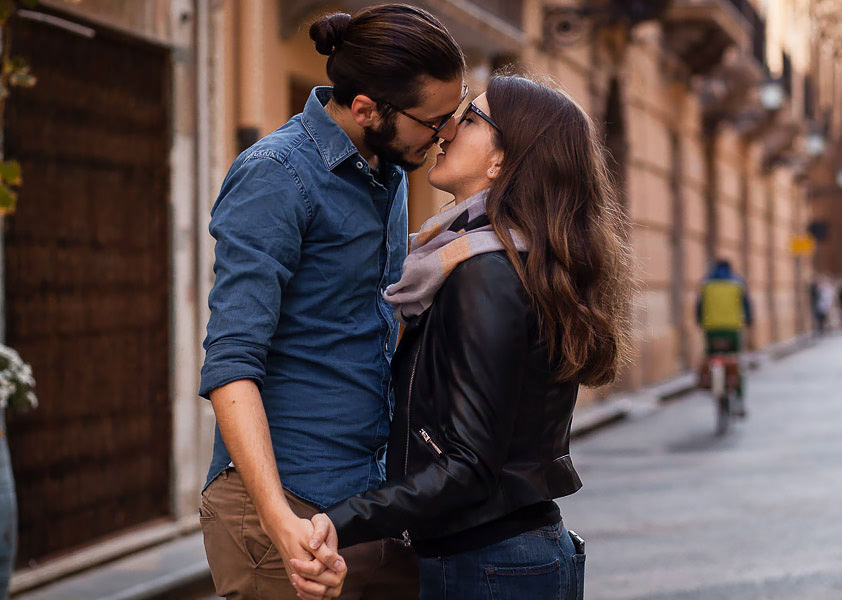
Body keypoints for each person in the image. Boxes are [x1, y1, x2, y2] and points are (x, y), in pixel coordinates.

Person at [285, 75, 632, 600]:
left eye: (470, 119)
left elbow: (468, 464)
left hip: (489, 563)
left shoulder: (486, 272)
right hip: (509, 554)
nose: (447, 128)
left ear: (502, 161)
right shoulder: (508, 259)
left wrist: (341, 520)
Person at [197, 6, 466, 599]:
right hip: (286, 508)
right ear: (367, 109)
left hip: (364, 504)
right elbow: (231, 364)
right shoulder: (276, 175)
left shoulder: (387, 170)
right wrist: (280, 524)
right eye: (437, 119)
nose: (448, 132)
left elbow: (370, 307)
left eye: (459, 111)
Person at [695, 259, 753, 416]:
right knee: (736, 362)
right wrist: (748, 321)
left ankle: (711, 381)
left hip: (711, 330)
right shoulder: (737, 284)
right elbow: (746, 306)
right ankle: (740, 401)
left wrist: (700, 323)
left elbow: (699, 308)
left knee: (711, 356)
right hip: (732, 330)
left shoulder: (706, 284)